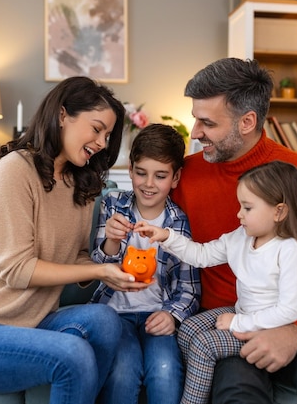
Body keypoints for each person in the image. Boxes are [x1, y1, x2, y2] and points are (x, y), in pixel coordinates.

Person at [0, 76, 150, 404]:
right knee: (73, 354)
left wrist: (112, 265)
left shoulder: (82, 184)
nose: (103, 143)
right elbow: (17, 270)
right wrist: (98, 273)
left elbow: (77, 256)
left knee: (107, 321)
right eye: (96, 129)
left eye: (108, 135)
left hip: (33, 324)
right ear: (63, 115)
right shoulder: (15, 171)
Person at [171, 58, 297, 403]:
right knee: (236, 391)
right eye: (195, 118)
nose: (196, 132)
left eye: (207, 122)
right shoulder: (182, 176)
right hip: (233, 325)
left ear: (247, 122)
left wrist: (296, 332)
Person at [135, 160, 297, 404]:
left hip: (270, 327)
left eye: (247, 208)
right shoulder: (241, 238)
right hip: (244, 313)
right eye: (240, 206)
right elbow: (201, 255)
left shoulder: (290, 251)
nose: (239, 214)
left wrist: (239, 322)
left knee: (204, 345)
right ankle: (202, 381)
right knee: (188, 329)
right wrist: (166, 236)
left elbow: (291, 310)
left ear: (279, 212)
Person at [90, 124, 201, 404]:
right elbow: (100, 266)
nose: (149, 184)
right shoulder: (113, 205)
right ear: (130, 170)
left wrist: (172, 316)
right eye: (141, 173)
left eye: (160, 176)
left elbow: (189, 286)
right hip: (115, 314)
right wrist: (112, 240)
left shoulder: (179, 221)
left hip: (158, 313)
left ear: (175, 178)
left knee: (164, 372)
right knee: (123, 372)